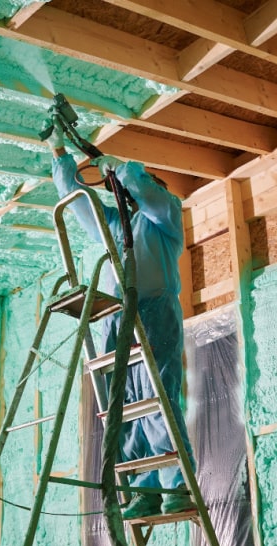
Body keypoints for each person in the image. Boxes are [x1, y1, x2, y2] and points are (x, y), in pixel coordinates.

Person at [48, 131, 195, 519]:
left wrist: (122, 170)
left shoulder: (165, 217)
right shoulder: (117, 224)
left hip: (153, 313)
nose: (131, 196)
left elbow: (149, 194)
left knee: (158, 399)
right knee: (126, 405)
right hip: (117, 318)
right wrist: (58, 150)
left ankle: (177, 485)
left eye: (137, 190)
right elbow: (79, 202)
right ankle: (142, 489)